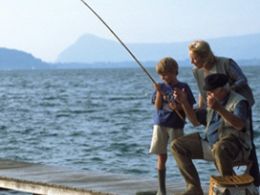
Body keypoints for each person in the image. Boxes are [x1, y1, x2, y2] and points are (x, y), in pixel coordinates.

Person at [188, 40, 260, 186]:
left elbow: (242, 80)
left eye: (195, 58)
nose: (192, 61)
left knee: (246, 140)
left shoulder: (226, 63)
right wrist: (201, 107)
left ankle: (255, 181)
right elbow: (202, 91)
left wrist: (226, 91)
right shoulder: (197, 71)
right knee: (215, 136)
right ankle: (229, 178)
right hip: (213, 106)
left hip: (237, 105)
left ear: (205, 55)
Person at [171, 73, 253, 195]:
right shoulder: (212, 101)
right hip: (211, 143)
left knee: (220, 148)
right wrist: (183, 102)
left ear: (222, 90)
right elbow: (194, 121)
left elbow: (239, 125)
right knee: (177, 145)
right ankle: (194, 188)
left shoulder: (239, 102)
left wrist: (219, 109)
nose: (208, 95)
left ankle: (230, 188)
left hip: (236, 146)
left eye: (211, 92)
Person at [149, 57, 196, 195]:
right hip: (160, 124)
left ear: (175, 71)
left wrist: (179, 106)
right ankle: (161, 189)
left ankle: (190, 186)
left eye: (166, 74)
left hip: (176, 125)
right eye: (161, 74)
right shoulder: (161, 87)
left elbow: (189, 107)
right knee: (161, 156)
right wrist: (158, 92)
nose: (163, 77)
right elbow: (157, 107)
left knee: (180, 156)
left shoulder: (183, 87)